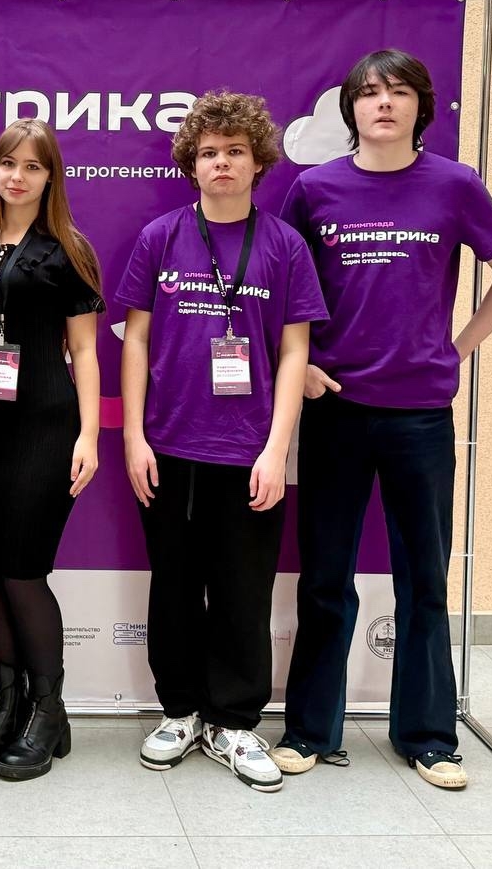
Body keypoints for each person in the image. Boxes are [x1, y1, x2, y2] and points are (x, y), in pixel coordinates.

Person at [274, 49, 492, 790]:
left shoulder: (455, 184)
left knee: (425, 579)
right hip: (336, 409)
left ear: (421, 106)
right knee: (326, 577)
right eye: (369, 93)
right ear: (351, 108)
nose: (383, 103)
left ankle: (428, 736)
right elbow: (283, 288)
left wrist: (458, 349)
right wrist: (303, 364)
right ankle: (309, 729)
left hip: (420, 414)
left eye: (398, 92)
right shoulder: (314, 188)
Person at [117, 91, 327, 793]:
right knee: (174, 587)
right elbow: (135, 339)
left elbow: (295, 352)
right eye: (209, 152)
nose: (222, 163)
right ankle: (180, 711)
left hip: (249, 452)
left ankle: (233, 722)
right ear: (192, 164)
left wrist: (276, 449)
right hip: (169, 447)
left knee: (243, 591)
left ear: (258, 160)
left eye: (235, 151)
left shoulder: (285, 246)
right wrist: (135, 437)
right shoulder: (161, 236)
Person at [0, 118, 103, 781]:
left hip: (46, 425)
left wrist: (89, 435)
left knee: (24, 569)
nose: (17, 176)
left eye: (33, 166)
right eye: (9, 163)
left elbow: (85, 350)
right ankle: (6, 707)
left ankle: (48, 711)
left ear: (50, 176)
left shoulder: (69, 250)